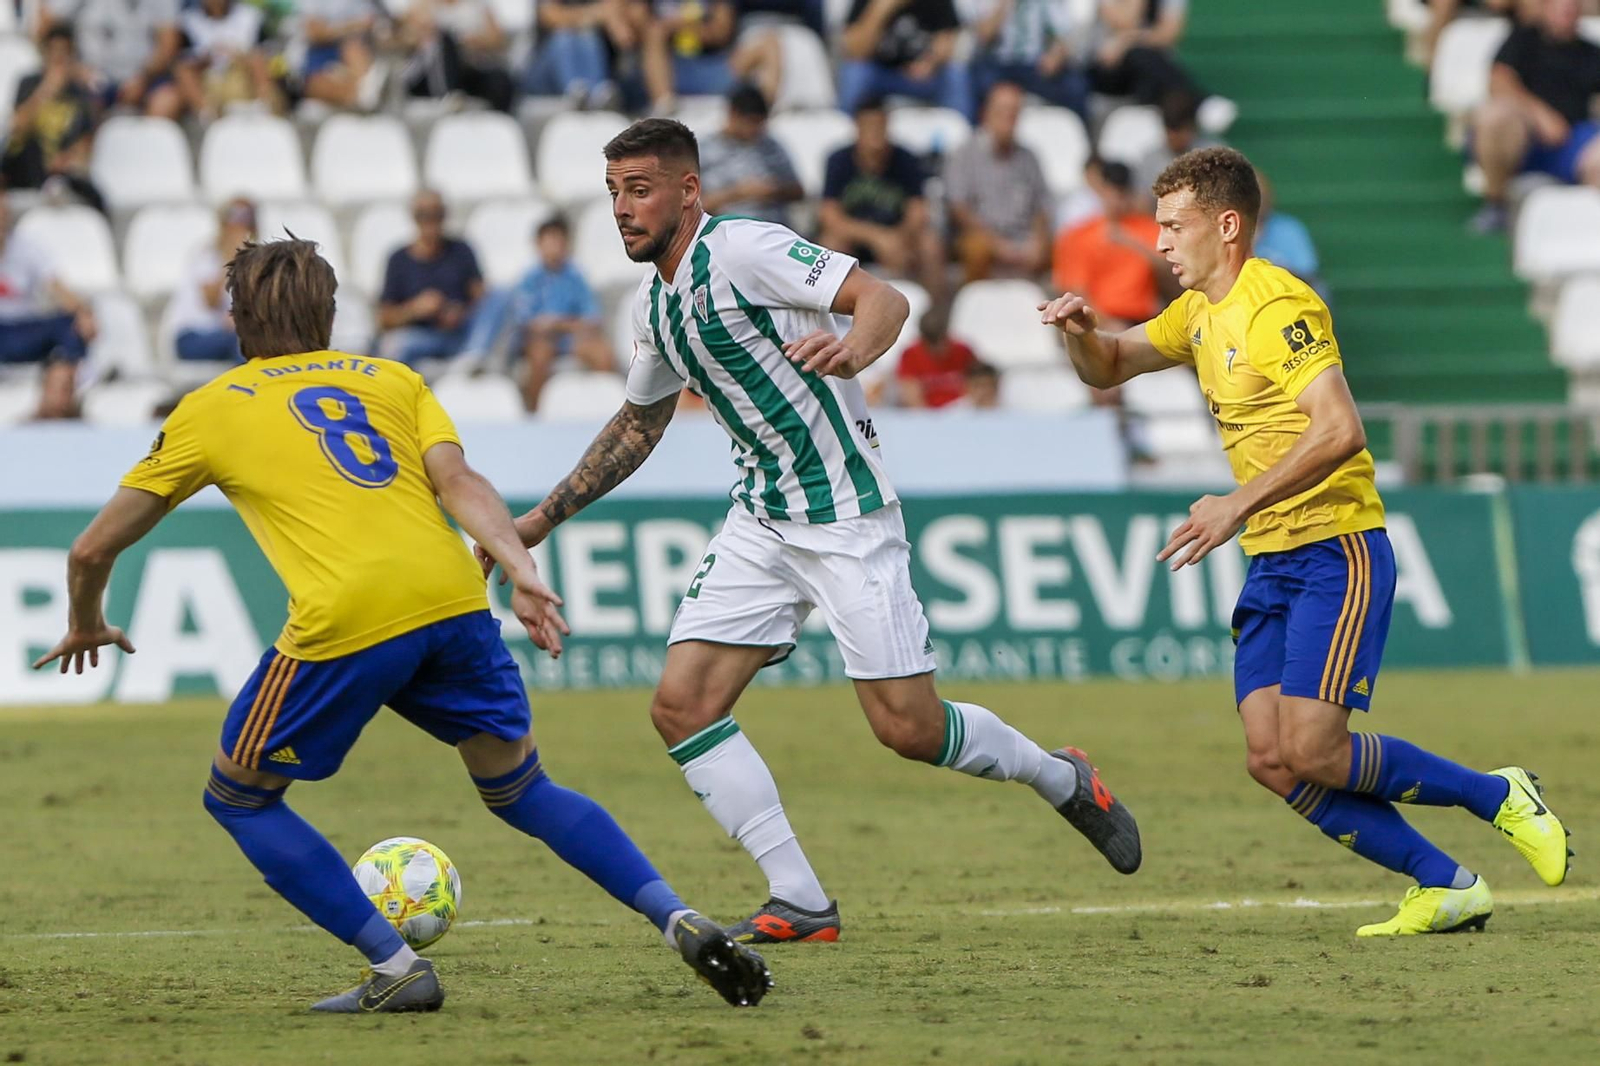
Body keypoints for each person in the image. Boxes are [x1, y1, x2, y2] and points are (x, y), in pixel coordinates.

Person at [30, 236, 772, 1013]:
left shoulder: (213, 408)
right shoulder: (392, 378)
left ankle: (396, 969)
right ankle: (676, 913)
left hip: (347, 615)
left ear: (237, 319)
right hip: (454, 596)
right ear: (331, 313)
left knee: (240, 796)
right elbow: (459, 480)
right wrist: (519, 567)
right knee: (523, 788)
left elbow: (91, 549)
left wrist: (85, 621)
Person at [482, 118, 1142, 946]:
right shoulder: (658, 305)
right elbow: (638, 425)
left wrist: (855, 350)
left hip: (846, 514)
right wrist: (538, 521)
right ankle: (799, 898)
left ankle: (1061, 776)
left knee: (908, 728)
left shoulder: (744, 249)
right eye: (614, 191)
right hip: (763, 517)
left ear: (689, 191)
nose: (623, 208)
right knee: (681, 707)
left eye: (640, 188)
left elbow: (886, 298)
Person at [1040, 146, 1571, 936]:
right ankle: (1446, 883)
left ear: (1226, 226)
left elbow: (1341, 429)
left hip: (1336, 549)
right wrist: (1079, 333)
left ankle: (1496, 795)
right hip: (1274, 559)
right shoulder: (1197, 312)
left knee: (1316, 750)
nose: (1159, 243)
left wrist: (1233, 506)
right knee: (1271, 757)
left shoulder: (1275, 307)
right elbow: (1110, 366)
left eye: (1174, 226)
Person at [1469, 0, 1600, 232]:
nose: (1567, 10)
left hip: (1573, 140)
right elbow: (1499, 81)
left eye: (1572, 5)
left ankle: (1585, 232)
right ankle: (1496, 204)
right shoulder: (1523, 40)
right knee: (1495, 116)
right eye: (1561, 5)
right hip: (1524, 135)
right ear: (1546, 7)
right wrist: (1541, 116)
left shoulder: (1592, 53)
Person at [463, 215, 615, 411]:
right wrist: (551, 326)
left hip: (571, 338)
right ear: (538, 244)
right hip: (538, 340)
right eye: (548, 241)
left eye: (558, 241)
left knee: (602, 353)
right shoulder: (529, 278)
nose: (553, 247)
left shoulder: (577, 276)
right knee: (540, 353)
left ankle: (605, 410)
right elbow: (525, 321)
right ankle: (535, 413)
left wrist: (557, 324)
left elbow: (592, 318)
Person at [818, 99, 942, 291]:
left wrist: (899, 237)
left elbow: (918, 211)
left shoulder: (906, 159)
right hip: (856, 238)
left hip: (899, 234)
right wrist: (877, 237)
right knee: (830, 243)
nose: (875, 133)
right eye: (869, 126)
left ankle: (932, 314)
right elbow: (830, 216)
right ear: (857, 128)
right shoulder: (838, 160)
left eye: (880, 126)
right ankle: (831, 313)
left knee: (930, 244)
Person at [944, 81, 1052, 283]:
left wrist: (1038, 239)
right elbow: (958, 209)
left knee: (1067, 250)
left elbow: (1041, 207)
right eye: (1002, 111)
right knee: (976, 249)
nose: (1009, 119)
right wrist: (997, 244)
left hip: (1023, 237)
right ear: (986, 113)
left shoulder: (1029, 157)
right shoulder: (964, 154)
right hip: (982, 236)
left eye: (1014, 113)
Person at [0, 194, 96, 419]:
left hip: (22, 330)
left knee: (70, 323)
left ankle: (65, 388)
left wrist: (84, 313)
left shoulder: (26, 247)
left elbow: (56, 286)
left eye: (4, 216)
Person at [1051, 160, 1168, 330]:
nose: (1115, 199)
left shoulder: (1149, 229)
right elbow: (1075, 290)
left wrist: (1132, 243)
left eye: (1121, 192)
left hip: (1145, 319)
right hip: (1099, 322)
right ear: (1101, 191)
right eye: (1110, 191)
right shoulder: (1079, 235)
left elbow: (1171, 275)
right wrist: (1105, 323)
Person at [2, 25, 106, 214]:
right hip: (26, 164)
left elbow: (85, 144)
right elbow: (17, 128)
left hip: (60, 171)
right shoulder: (28, 83)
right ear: (44, 53)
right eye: (53, 51)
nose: (58, 58)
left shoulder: (80, 93)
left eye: (64, 52)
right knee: (30, 148)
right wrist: (47, 89)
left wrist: (65, 160)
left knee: (93, 193)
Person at [1088, 0, 1234, 132]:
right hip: (1108, 72)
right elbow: (1125, 20)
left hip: (1151, 69)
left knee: (1145, 65)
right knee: (1139, 55)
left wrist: (1126, 40)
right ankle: (1199, 102)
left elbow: (1168, 34)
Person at [377, 190, 485, 367]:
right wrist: (415, 309)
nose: (431, 221)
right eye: (424, 215)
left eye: (437, 214)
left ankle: (474, 359)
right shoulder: (398, 259)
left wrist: (459, 313)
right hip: (420, 335)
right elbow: (384, 318)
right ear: (414, 217)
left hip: (461, 334)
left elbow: (481, 297)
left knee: (502, 295)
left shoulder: (461, 250)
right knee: (396, 345)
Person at [40, 0, 186, 120]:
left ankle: (147, 153)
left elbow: (169, 43)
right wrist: (75, 68)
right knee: (74, 102)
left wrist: (143, 79)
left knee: (167, 101)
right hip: (89, 79)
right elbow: (45, 28)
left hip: (144, 78)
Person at [838, 0, 973, 120]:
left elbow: (946, 40)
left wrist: (929, 63)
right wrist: (881, 9)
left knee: (954, 75)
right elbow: (855, 51)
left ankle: (962, 136)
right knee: (854, 72)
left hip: (921, 76)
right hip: (881, 75)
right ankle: (850, 138)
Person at [699, 83, 804, 226]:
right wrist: (738, 193)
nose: (756, 129)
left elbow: (799, 192)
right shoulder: (703, 150)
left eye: (760, 123)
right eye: (751, 122)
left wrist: (774, 190)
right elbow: (694, 205)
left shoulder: (771, 146)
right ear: (733, 114)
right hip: (725, 228)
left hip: (772, 226)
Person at [169, 199, 257, 364]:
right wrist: (230, 258)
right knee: (243, 342)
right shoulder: (205, 256)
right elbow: (211, 301)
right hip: (192, 337)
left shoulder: (252, 262)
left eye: (246, 219)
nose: (239, 226)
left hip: (226, 335)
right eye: (235, 217)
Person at [968, 0, 1089, 120]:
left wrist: (1055, 56)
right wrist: (1003, 5)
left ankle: (1076, 133)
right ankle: (979, 133)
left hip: (1034, 66)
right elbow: (984, 35)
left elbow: (1063, 35)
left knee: (1075, 87)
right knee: (974, 81)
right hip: (998, 64)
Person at [398, 0, 516, 113]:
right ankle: (449, 96)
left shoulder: (478, 5)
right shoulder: (425, 5)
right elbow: (408, 35)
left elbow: (498, 40)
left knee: (499, 80)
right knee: (444, 41)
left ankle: (500, 122)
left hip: (469, 66)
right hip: (434, 72)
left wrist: (473, 41)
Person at [176, 0, 284, 120]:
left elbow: (268, 52)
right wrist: (207, 58)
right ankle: (207, 115)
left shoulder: (250, 16)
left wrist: (238, 56)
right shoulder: (189, 20)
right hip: (208, 80)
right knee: (183, 70)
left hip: (244, 77)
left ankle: (264, 108)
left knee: (257, 59)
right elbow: (184, 58)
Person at [523, 0, 636, 107]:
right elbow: (551, 17)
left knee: (589, 37)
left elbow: (621, 29)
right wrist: (594, 14)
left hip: (606, 66)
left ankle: (596, 94)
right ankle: (577, 94)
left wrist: (612, 19)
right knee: (565, 36)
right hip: (545, 72)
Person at [296, 0, 383, 110]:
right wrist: (354, 26)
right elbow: (315, 33)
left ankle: (362, 95)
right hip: (320, 56)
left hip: (355, 53)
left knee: (353, 49)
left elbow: (373, 24)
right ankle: (360, 96)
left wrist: (331, 31)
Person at [1252, 169, 1322, 293]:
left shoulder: (1289, 229)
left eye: (1264, 194)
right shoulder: (1229, 229)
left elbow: (1308, 274)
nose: (1259, 201)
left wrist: (1273, 273)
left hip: (1288, 293)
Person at [895, 304, 976, 407]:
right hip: (927, 417)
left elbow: (979, 388)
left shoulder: (963, 351)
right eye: (932, 344)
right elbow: (912, 398)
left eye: (941, 342)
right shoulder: (910, 355)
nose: (937, 349)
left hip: (962, 413)